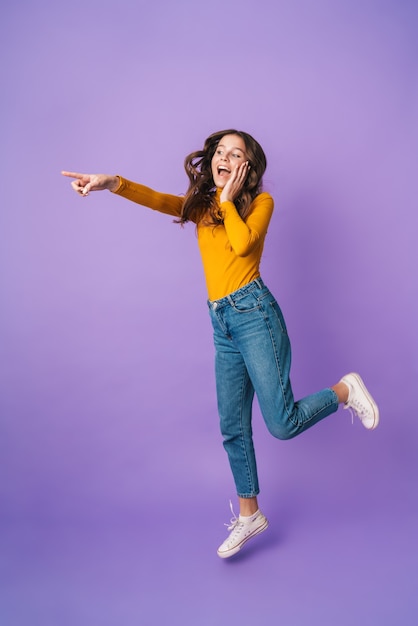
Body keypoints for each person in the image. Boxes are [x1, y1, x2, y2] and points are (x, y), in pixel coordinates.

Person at [62, 129, 379, 559]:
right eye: (220, 152)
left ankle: (345, 389)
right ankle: (250, 514)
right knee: (232, 426)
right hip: (222, 324)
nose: (225, 158)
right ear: (212, 160)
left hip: (255, 316)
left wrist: (228, 202)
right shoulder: (203, 206)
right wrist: (112, 183)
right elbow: (160, 200)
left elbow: (243, 246)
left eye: (237, 154)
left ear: (247, 167)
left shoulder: (260, 204)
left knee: (281, 424)